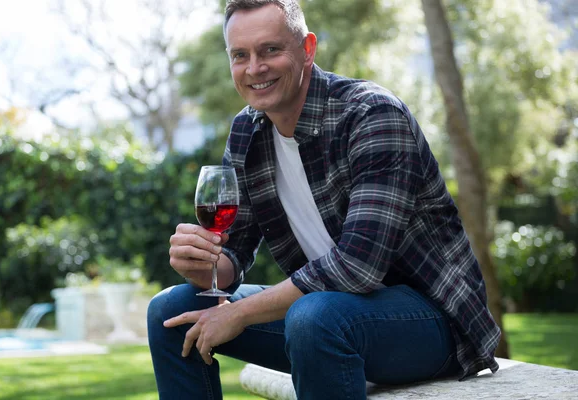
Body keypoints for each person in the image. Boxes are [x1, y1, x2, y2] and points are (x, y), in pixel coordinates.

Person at [147, 0, 501, 398]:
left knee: (314, 316)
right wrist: (203, 264)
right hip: (327, 314)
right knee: (171, 309)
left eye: (270, 50)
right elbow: (236, 257)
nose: (254, 69)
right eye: (240, 55)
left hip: (433, 321)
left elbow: (358, 267)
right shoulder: (247, 131)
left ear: (308, 49)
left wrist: (239, 312)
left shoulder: (371, 115)